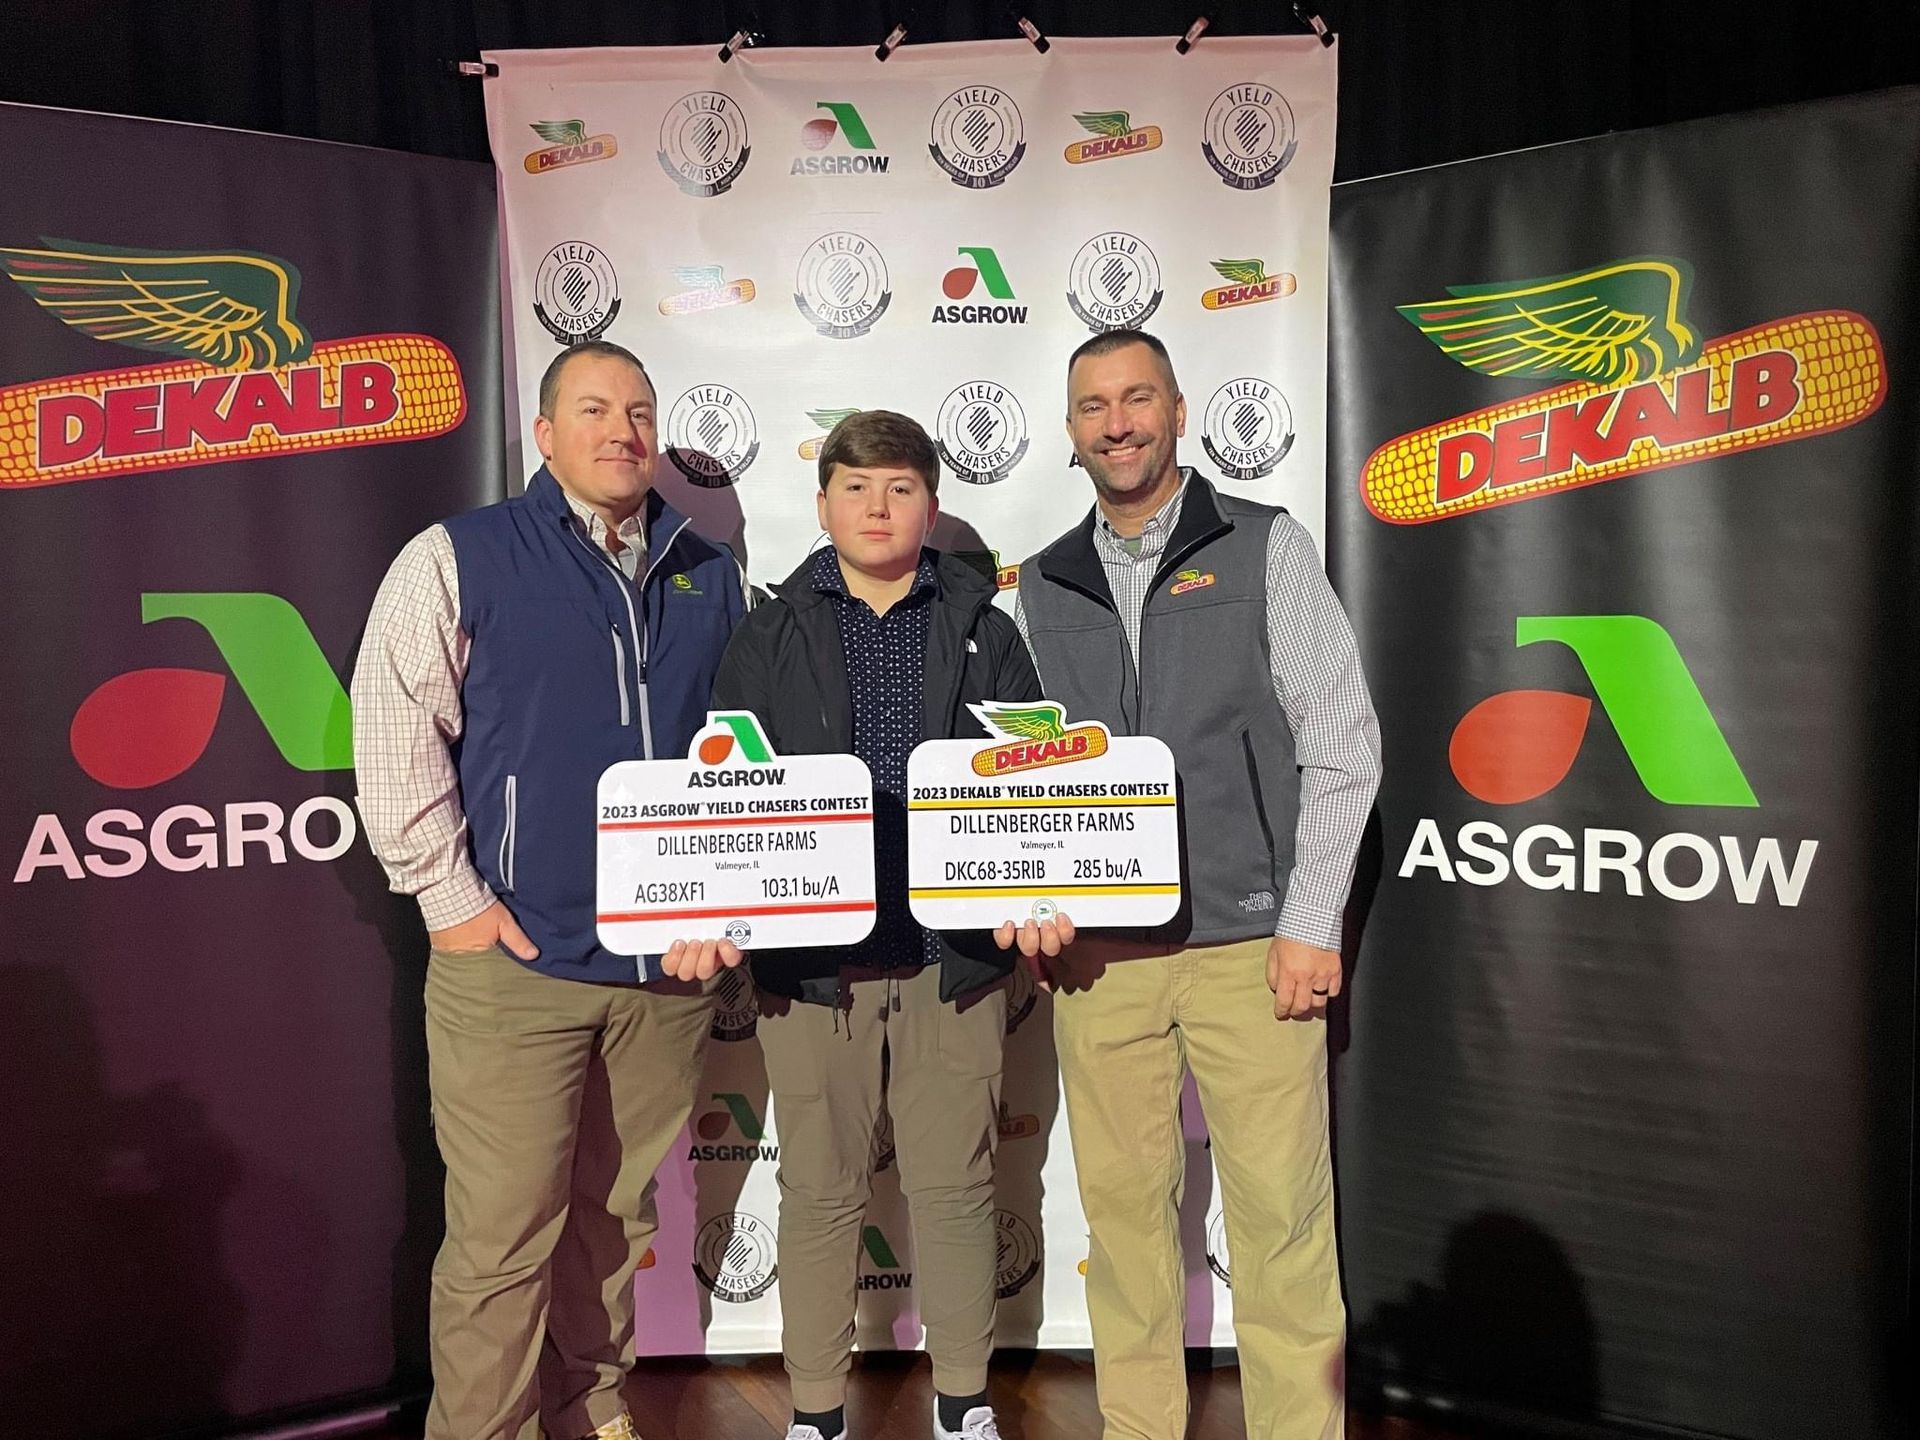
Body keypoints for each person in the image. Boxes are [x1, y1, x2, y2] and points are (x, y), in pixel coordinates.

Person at [351, 339, 750, 1440]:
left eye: (639, 410)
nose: (621, 430)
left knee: (614, 1226)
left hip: (664, 977)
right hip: (513, 969)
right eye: (593, 409)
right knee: (501, 1241)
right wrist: (455, 905)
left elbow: (748, 762)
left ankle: (591, 1416)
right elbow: (395, 735)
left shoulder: (708, 570)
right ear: (543, 432)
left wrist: (725, 909)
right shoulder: (459, 556)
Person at [1012, 330, 1382, 1440]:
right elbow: (1022, 780)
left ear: (1178, 411)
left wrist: (1311, 923)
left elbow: (1345, 744)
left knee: (1279, 1226)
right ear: (1071, 430)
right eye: (1093, 406)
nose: (1117, 422)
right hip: (1100, 964)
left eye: (1137, 398)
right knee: (1124, 1231)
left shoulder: (1265, 547)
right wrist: (1033, 900)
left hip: (1251, 949)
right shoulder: (1040, 584)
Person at [710, 410, 1063, 1440]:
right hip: (812, 971)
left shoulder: (985, 628)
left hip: (952, 965)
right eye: (857, 488)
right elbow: (724, 791)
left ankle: (962, 1405)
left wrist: (1033, 892)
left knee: (956, 1193)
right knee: (819, 1197)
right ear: (823, 505)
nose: (878, 506)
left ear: (931, 504)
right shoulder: (767, 632)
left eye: (901, 487)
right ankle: (815, 1416)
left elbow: (1034, 789)